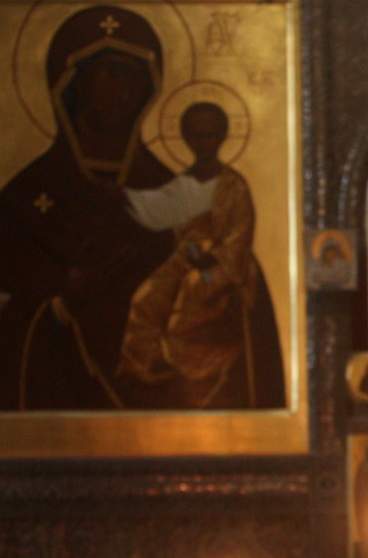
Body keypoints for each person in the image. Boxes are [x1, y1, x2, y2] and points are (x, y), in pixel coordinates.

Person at [0, 6, 178, 410]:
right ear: (72, 82)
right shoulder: (18, 206)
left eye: (136, 79)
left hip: (163, 416)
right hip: (51, 410)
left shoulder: (175, 197)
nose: (124, 91)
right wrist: (63, 305)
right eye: (112, 74)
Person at [113, 100, 286, 409]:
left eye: (208, 135)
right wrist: (118, 195)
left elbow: (239, 239)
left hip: (226, 265)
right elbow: (163, 215)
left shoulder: (234, 186)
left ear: (220, 138)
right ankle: (143, 365)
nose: (201, 142)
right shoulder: (184, 183)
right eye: (194, 136)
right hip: (188, 257)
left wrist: (211, 260)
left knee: (193, 291)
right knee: (147, 295)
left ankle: (179, 366)